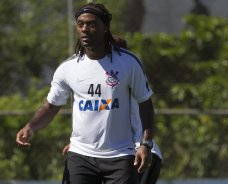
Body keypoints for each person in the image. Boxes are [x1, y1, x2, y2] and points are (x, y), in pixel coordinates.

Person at [16, 3, 155, 184]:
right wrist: (30, 127)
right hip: (81, 156)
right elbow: (51, 106)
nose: (85, 29)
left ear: (105, 27)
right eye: (80, 24)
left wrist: (145, 144)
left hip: (121, 156)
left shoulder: (128, 63)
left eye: (91, 24)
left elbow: (145, 103)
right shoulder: (68, 68)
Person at [62, 35, 162, 184]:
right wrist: (83, 144)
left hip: (133, 152)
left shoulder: (122, 76)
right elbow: (103, 116)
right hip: (137, 151)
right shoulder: (126, 73)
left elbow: (105, 112)